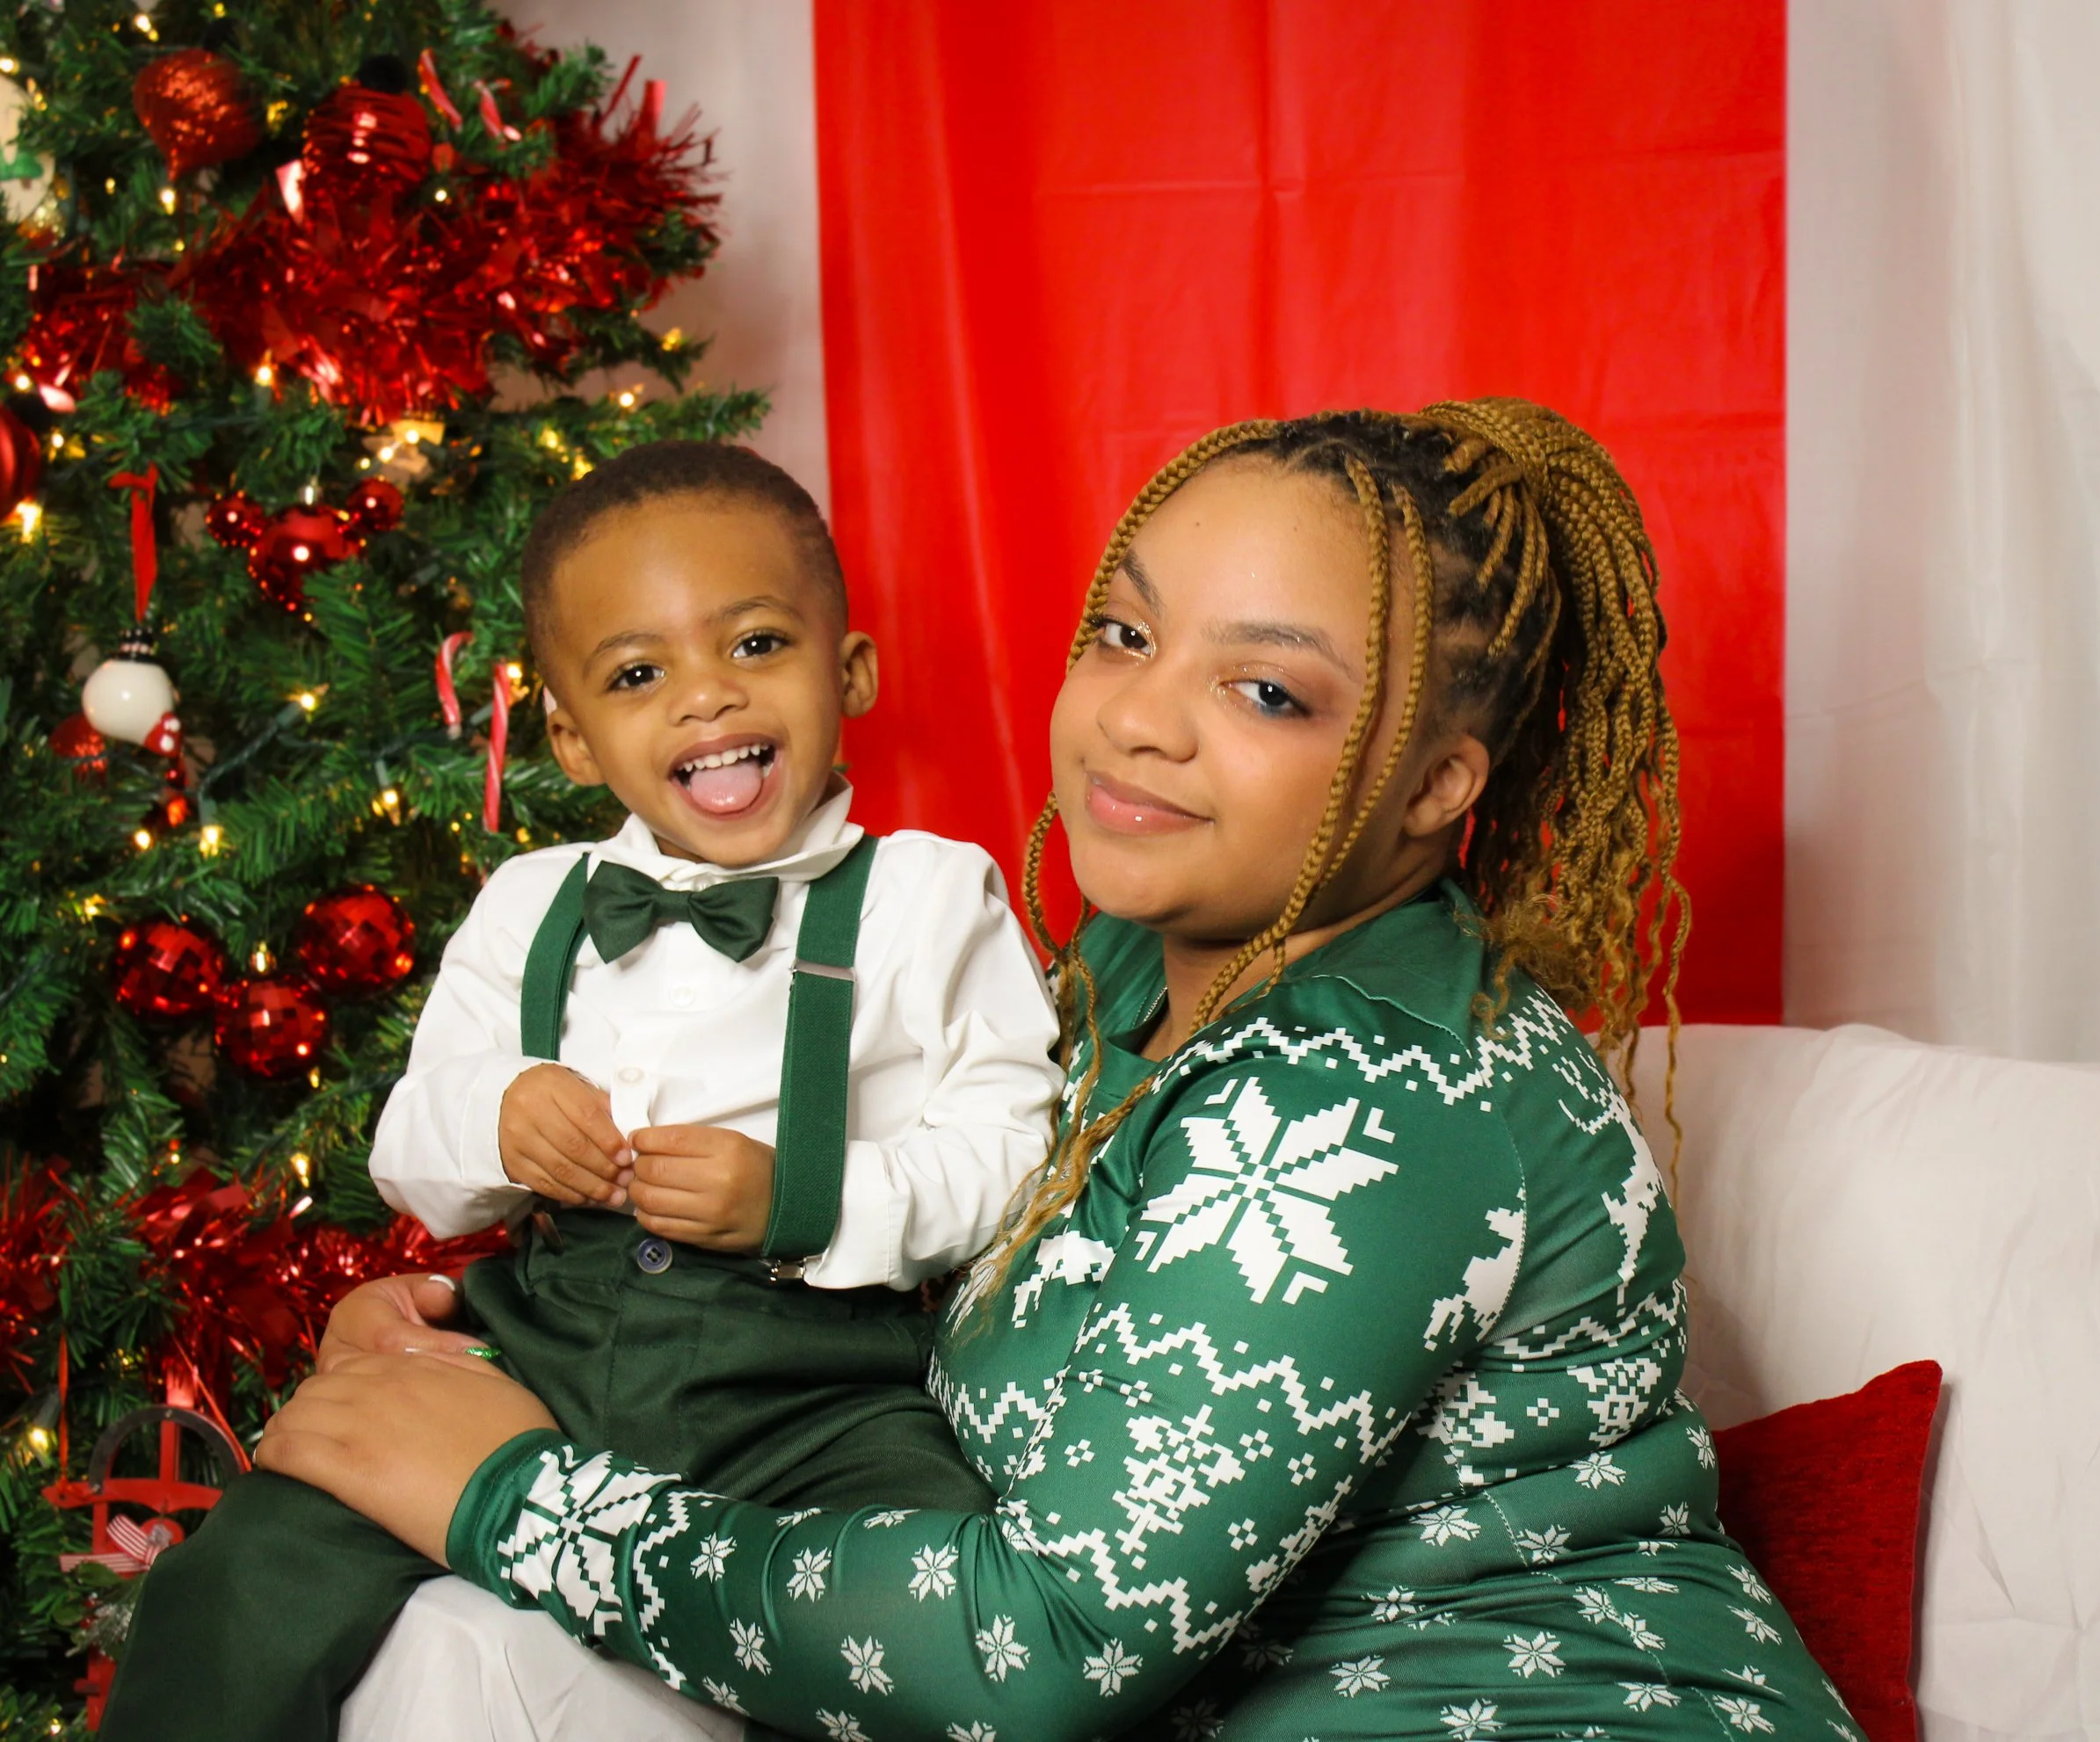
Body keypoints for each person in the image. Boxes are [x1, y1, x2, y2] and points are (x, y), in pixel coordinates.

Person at [261, 403, 1866, 1739]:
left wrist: (512, 1494)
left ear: (1443, 782)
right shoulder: (1110, 983)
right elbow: (878, 1256)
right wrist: (484, 1335)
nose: (1136, 721)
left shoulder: (1384, 1096)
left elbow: (1042, 1649)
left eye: (1263, 688)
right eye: (1123, 632)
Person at [101, 441, 1063, 1742]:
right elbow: (410, 1145)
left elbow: (1012, 1153)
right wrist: (499, 1115)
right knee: (252, 1570)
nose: (705, 701)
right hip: (553, 1343)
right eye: (637, 674)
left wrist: (808, 1198)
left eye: (758, 645)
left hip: (815, 1386)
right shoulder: (531, 901)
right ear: (569, 730)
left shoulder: (931, 897)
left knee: (935, 1612)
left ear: (851, 672)